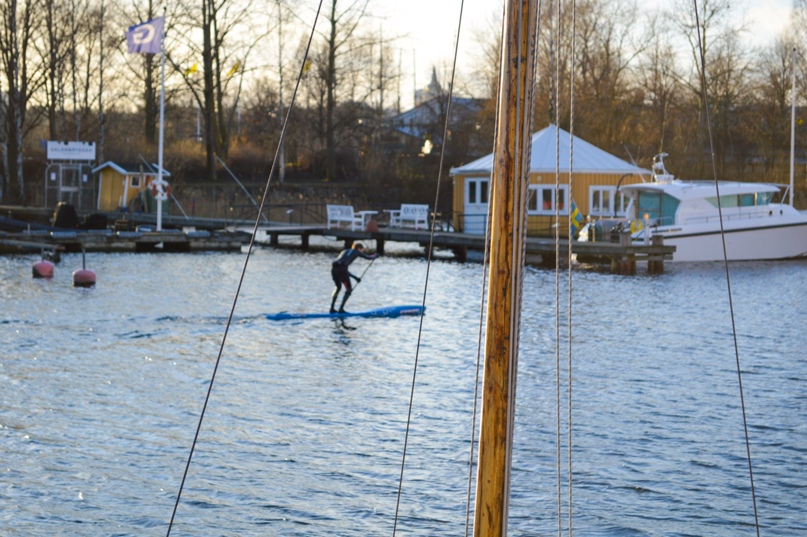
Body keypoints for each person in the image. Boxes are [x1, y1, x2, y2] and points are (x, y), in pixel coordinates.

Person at [330, 242, 378, 313]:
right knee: (349, 289)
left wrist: (355, 278)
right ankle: (341, 309)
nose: (361, 251)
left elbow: (343, 269)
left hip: (334, 269)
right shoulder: (356, 251)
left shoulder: (345, 251)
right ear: (359, 248)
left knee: (338, 287)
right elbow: (368, 257)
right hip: (342, 270)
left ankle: (332, 309)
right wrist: (375, 255)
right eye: (362, 250)